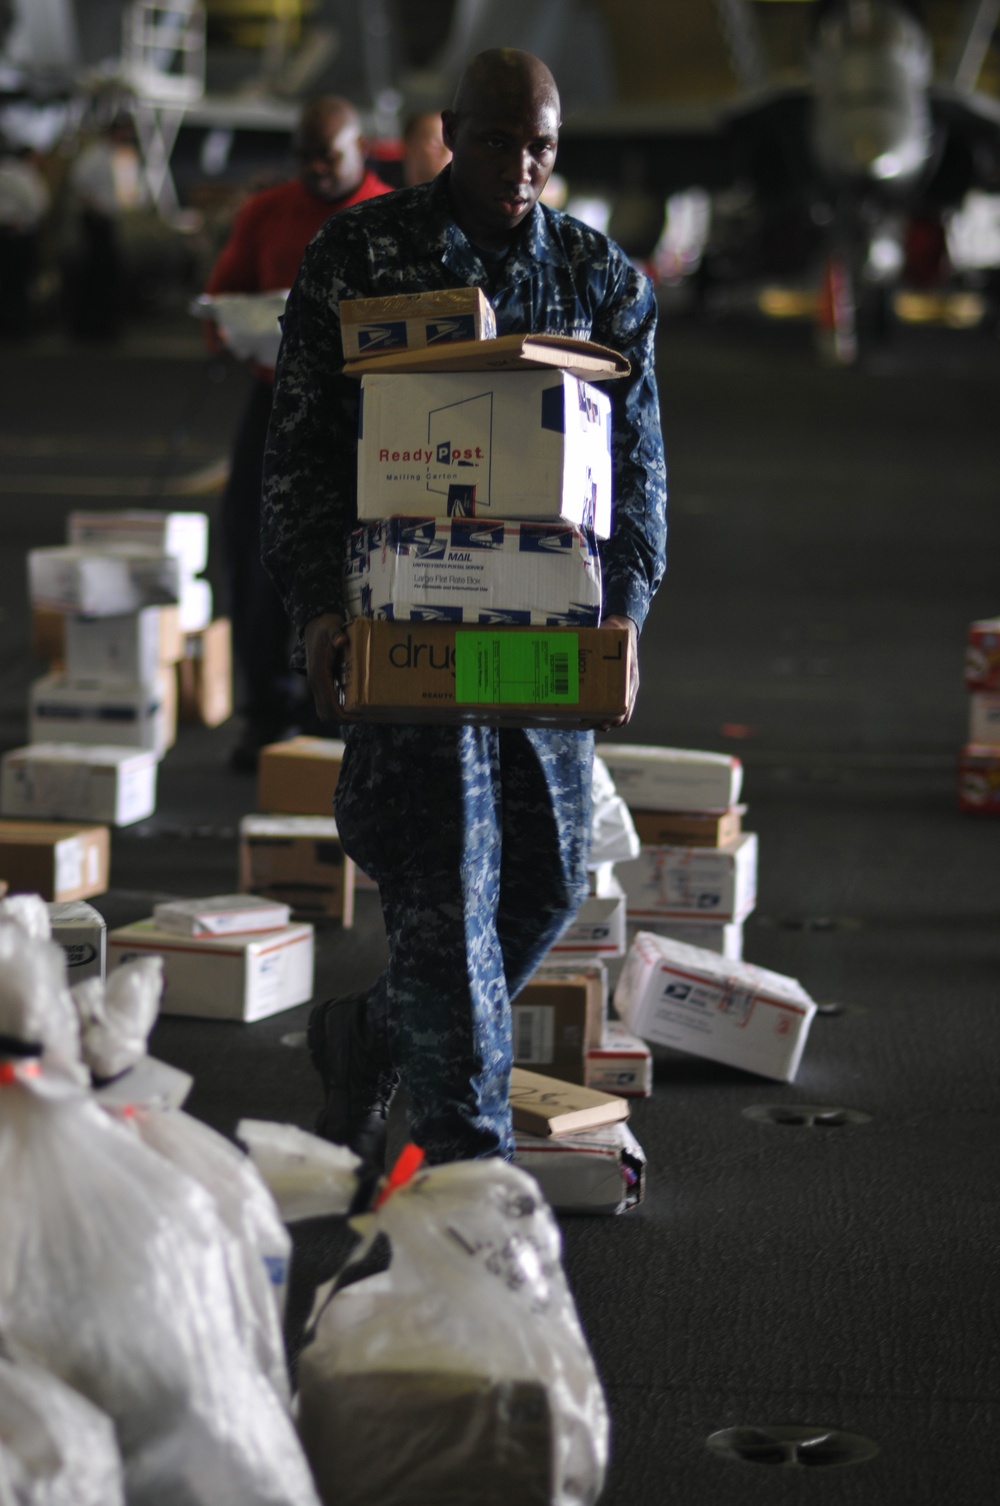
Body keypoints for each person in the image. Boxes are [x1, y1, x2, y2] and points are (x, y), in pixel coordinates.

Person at [262, 49, 666, 1169]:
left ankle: (369, 1030)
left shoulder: (600, 281)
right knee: (444, 892)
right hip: (408, 632)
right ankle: (466, 1177)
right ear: (447, 133)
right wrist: (315, 608)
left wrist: (622, 616)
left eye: (540, 146)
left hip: (542, 643)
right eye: (495, 141)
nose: (520, 167)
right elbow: (297, 453)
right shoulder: (361, 253)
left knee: (536, 888)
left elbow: (638, 480)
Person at [205, 97, 391, 770]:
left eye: (329, 157)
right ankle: (266, 715)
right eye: (305, 157)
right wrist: (233, 330)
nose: (316, 170)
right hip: (275, 398)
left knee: (364, 558)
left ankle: (355, 710)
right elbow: (220, 298)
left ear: (360, 149)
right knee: (255, 554)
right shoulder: (265, 212)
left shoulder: (393, 218)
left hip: (366, 409)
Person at [400, 110, 452, 187]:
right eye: (436, 143)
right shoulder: (383, 193)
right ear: (411, 147)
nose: (447, 151)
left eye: (450, 143)